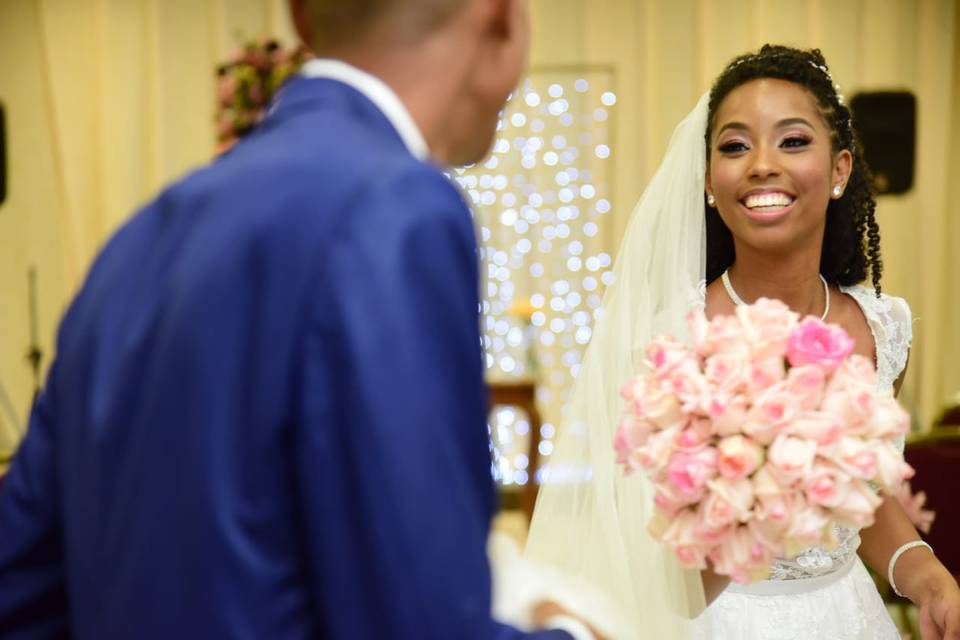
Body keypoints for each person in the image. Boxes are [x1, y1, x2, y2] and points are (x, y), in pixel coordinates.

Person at [0, 1, 605, 637]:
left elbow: (19, 591)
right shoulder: (394, 208)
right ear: (501, 18)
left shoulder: (139, 241)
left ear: (300, 17)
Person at [525, 44, 960, 639]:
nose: (761, 164)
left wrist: (926, 572)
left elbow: (867, 502)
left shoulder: (886, 331)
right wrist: (754, 497)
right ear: (708, 180)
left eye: (793, 140)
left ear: (839, 170)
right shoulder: (666, 343)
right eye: (734, 145)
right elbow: (643, 570)